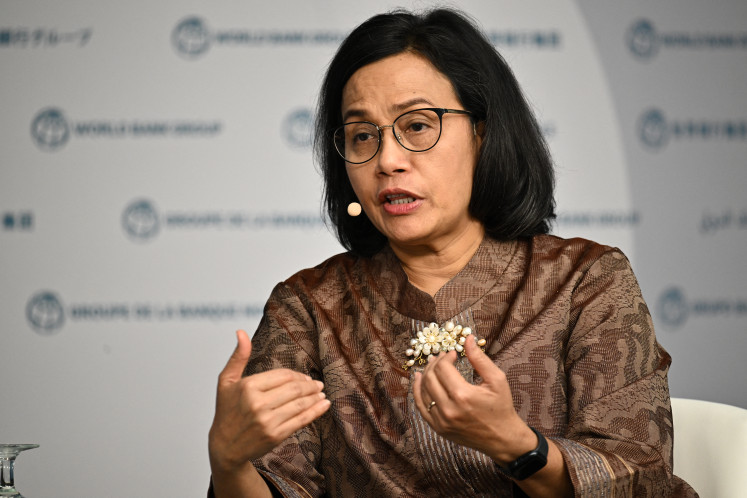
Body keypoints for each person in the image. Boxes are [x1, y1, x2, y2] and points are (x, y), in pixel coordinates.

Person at [208, 8, 697, 497]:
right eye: (362, 135)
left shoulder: (584, 282)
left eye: (417, 126)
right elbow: (278, 484)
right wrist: (230, 466)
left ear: (482, 134)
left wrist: (517, 447)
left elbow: (642, 482)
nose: (388, 161)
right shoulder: (309, 308)